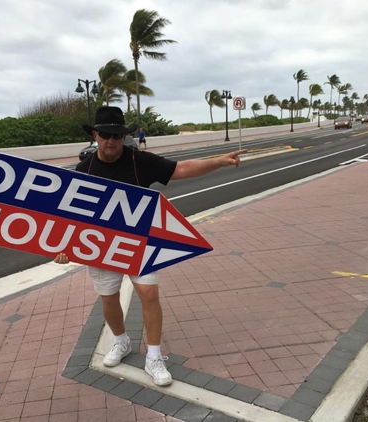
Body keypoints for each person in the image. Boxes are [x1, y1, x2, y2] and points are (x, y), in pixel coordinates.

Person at [55, 106, 247, 386]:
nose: (112, 141)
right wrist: (65, 247)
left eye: (118, 135)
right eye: (106, 135)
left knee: (149, 295)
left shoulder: (138, 160)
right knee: (108, 298)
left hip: (139, 242)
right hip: (100, 244)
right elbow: (69, 214)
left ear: (125, 137)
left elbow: (180, 169)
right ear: (95, 135)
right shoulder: (85, 170)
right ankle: (121, 342)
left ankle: (154, 356)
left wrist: (219, 161)